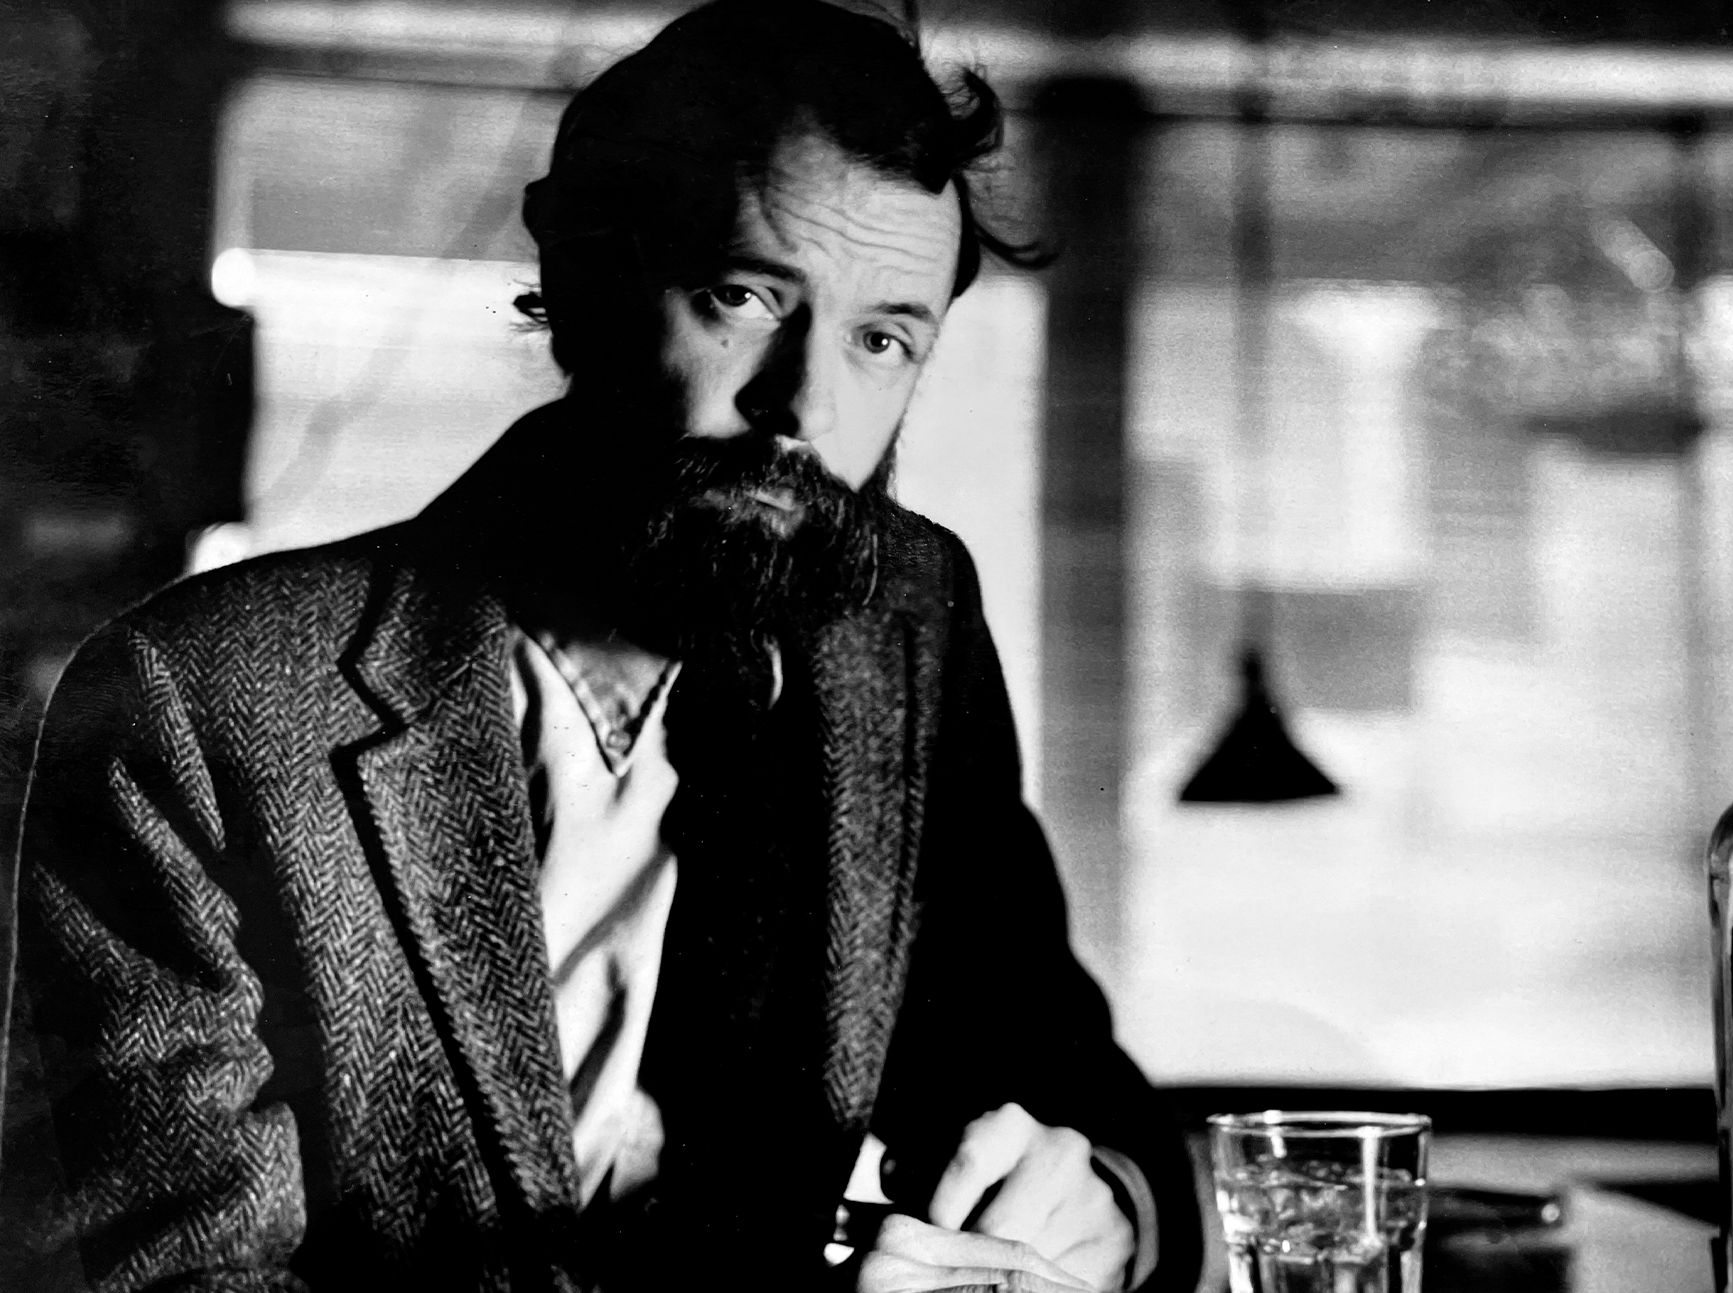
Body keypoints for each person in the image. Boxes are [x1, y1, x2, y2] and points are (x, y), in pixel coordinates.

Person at [0, 1, 1203, 1290]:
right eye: (746, 295)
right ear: (579, 272)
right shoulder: (198, 698)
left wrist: (1104, 1212)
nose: (806, 404)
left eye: (882, 336)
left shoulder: (901, 619)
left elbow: (1048, 1060)